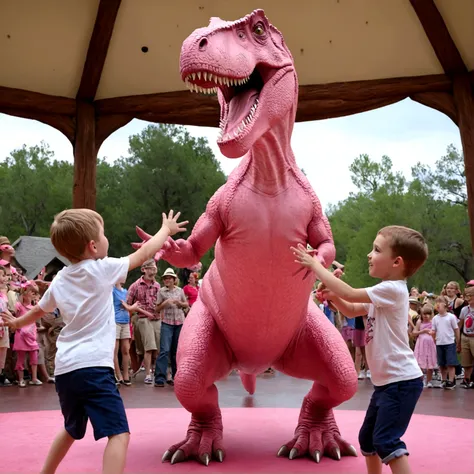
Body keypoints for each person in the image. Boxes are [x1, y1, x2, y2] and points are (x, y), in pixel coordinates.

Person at [0, 208, 187, 474]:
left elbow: (39, 310)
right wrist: (166, 230)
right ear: (93, 245)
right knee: (119, 434)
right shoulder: (102, 269)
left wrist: (16, 323)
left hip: (66, 371)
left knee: (71, 429)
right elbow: (143, 255)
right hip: (93, 368)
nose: (106, 238)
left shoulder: (61, 278)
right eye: (103, 233)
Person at [292, 225, 428, 474]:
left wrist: (317, 268)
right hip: (388, 384)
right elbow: (352, 308)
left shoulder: (393, 289)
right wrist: (333, 297)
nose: (369, 254)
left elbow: (352, 293)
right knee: (368, 439)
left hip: (401, 382)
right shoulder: (384, 293)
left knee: (387, 441)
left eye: (376, 250)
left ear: (397, 262)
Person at [154, 267, 188, 387]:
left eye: (169, 278)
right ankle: (159, 377)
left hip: (179, 323)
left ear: (174, 279)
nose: (167, 280)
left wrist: (180, 303)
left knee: (176, 352)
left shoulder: (180, 291)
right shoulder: (161, 292)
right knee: (164, 350)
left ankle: (176, 376)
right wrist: (165, 303)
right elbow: (156, 309)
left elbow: (186, 304)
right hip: (167, 323)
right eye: (165, 278)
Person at [432, 295, 460, 390]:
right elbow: (434, 331)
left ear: (445, 305)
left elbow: (456, 329)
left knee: (450, 363)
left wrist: (457, 341)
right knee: (441, 363)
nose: (437, 304)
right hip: (439, 343)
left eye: (439, 302)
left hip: (449, 343)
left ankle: (451, 381)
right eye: (436, 302)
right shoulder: (435, 318)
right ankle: (443, 380)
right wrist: (434, 340)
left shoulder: (451, 317)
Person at [412, 304, 437, 388]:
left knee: (430, 362)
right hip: (421, 344)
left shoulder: (433, 322)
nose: (426, 316)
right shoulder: (420, 322)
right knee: (420, 363)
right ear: (421, 314)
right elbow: (414, 333)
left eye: (428, 314)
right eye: (424, 314)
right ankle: (421, 380)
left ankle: (429, 381)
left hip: (430, 344)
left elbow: (436, 332)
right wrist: (423, 331)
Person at [458, 286, 474, 388]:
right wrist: (458, 340)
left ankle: (473, 379)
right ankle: (466, 379)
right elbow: (460, 324)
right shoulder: (464, 309)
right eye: (466, 296)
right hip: (465, 336)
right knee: (466, 361)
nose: (467, 298)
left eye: (470, 296)